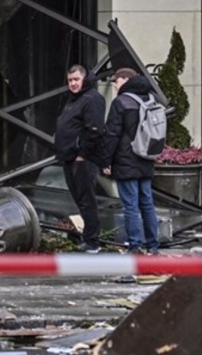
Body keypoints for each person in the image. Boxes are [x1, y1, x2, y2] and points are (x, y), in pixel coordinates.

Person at [102, 68, 164, 254]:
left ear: (126, 80)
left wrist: (106, 161)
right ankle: (153, 246)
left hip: (125, 159)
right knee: (147, 203)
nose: (114, 85)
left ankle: (135, 246)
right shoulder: (151, 100)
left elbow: (112, 134)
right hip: (145, 157)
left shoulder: (121, 102)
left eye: (116, 81)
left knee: (130, 205)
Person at [53, 64, 108, 253]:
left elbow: (94, 130)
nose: (73, 84)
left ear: (84, 79)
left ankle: (92, 242)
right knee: (80, 199)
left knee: (86, 200)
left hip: (82, 159)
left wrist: (82, 154)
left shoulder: (92, 99)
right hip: (70, 157)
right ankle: (88, 238)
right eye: (70, 80)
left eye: (76, 79)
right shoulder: (75, 99)